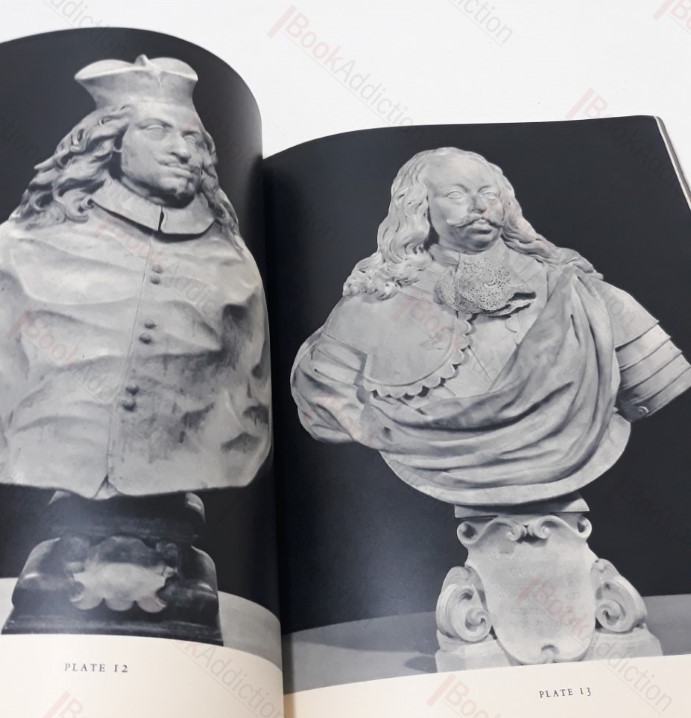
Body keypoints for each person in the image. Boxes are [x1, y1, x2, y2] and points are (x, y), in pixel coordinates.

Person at [0, 55, 271, 501]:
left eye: (193, 137)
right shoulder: (13, 250)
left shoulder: (236, 267)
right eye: (157, 129)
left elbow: (249, 404)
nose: (183, 151)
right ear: (111, 140)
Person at [291, 147, 691, 508]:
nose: (480, 206)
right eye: (456, 194)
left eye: (489, 193)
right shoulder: (369, 311)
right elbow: (326, 404)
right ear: (418, 209)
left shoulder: (584, 296)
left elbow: (650, 386)